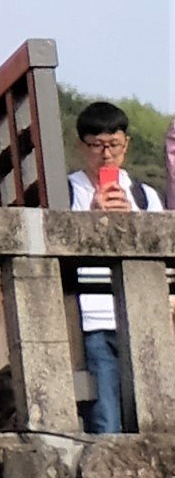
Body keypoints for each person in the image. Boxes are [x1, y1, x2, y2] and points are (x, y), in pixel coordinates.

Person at [67, 103, 161, 435]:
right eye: (97, 145)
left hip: (142, 319)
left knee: (152, 421)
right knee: (105, 419)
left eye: (114, 145)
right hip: (93, 319)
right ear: (81, 146)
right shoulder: (67, 193)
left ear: (126, 144)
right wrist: (94, 221)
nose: (106, 155)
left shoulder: (145, 196)